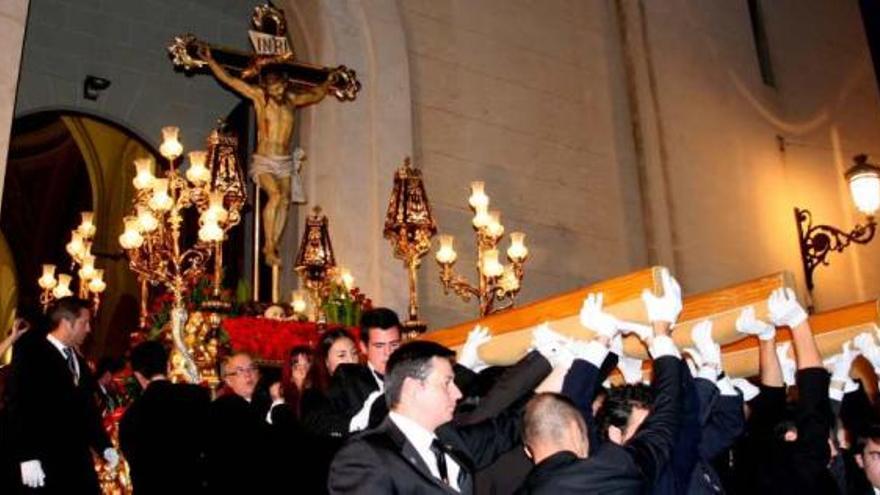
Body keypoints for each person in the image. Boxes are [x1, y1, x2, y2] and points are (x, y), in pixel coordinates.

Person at [515, 269, 685, 494]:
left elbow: (575, 403)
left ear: (528, 450)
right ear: (576, 430)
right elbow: (661, 427)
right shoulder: (607, 472)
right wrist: (662, 330)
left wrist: (604, 336)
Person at [328, 340, 526, 494]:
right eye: (447, 383)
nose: (457, 393)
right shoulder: (364, 455)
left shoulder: (448, 440)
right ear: (413, 388)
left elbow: (503, 430)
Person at [201, 44, 335, 266]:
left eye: (280, 88)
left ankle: (274, 242)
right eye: (273, 90)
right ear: (266, 87)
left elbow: (315, 93)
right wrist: (211, 61)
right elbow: (231, 81)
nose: (277, 93)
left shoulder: (292, 100)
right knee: (274, 195)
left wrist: (329, 81)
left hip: (284, 161)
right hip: (264, 160)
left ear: (284, 83)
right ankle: (268, 245)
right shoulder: (259, 97)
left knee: (285, 200)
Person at [4, 297, 117, 494]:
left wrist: (104, 446)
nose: (88, 329)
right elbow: (19, 406)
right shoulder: (31, 353)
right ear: (66, 323)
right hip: (43, 461)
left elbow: (87, 409)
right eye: (84, 323)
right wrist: (27, 455)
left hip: (77, 462)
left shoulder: (77, 360)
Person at [119, 341, 211, 495]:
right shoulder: (197, 396)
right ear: (168, 366)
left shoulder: (130, 417)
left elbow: (134, 465)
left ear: (138, 375)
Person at [207, 352, 282, 493]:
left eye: (252, 369)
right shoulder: (222, 408)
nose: (248, 375)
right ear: (229, 381)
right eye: (240, 371)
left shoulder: (271, 402)